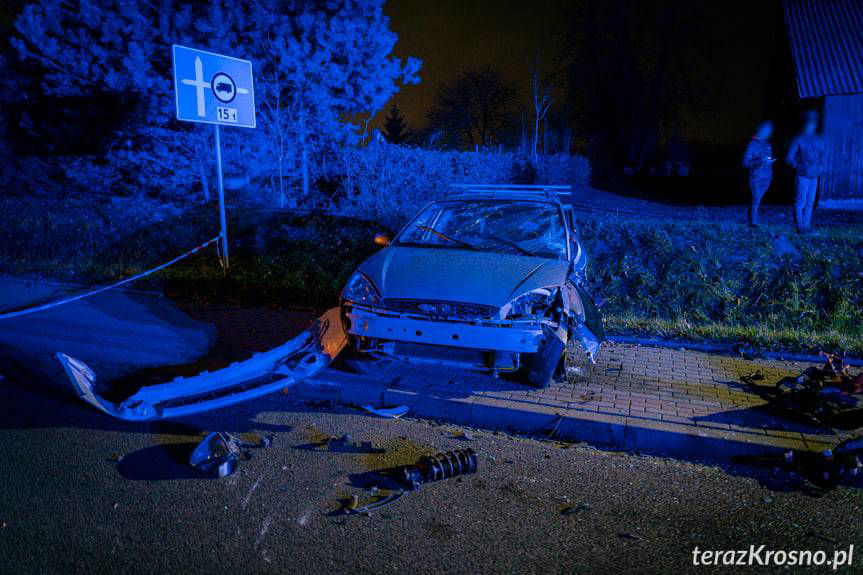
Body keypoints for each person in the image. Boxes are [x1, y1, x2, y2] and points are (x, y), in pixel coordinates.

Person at [785, 111, 826, 233]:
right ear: (805, 125)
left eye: (813, 124)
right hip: (803, 175)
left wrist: (820, 167)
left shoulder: (819, 139)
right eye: (809, 124)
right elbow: (789, 157)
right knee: (800, 201)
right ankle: (799, 226)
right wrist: (799, 167)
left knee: (810, 202)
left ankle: (807, 225)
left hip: (815, 175)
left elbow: (823, 154)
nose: (811, 126)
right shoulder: (798, 139)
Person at [742, 121, 775, 226]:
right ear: (760, 130)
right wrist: (761, 161)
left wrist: (769, 161)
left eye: (770, 130)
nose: (768, 132)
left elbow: (767, 159)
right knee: (756, 200)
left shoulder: (768, 145)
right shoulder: (752, 145)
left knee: (758, 200)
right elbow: (745, 162)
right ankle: (753, 223)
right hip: (756, 177)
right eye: (766, 130)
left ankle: (753, 219)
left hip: (767, 177)